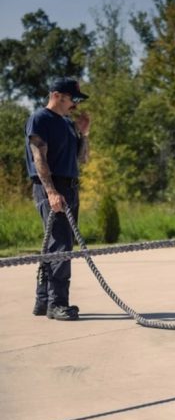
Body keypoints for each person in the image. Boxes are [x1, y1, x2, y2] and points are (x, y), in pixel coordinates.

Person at [26, 77, 90, 321]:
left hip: (70, 187)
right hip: (52, 186)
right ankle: (57, 303)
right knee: (60, 245)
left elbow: (82, 159)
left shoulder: (66, 123)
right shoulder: (40, 119)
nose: (75, 105)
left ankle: (43, 301)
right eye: (73, 99)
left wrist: (84, 134)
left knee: (59, 243)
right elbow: (38, 157)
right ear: (57, 96)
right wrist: (51, 191)